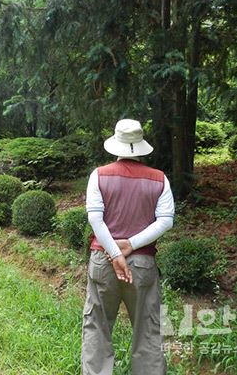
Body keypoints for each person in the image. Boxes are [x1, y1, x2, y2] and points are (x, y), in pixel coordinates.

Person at [82, 119, 175, 375]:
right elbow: (166, 221)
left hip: (103, 260)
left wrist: (114, 253)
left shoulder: (98, 175)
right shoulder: (160, 179)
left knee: (97, 326)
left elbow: (95, 218)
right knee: (148, 329)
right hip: (142, 264)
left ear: (116, 145)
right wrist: (130, 245)